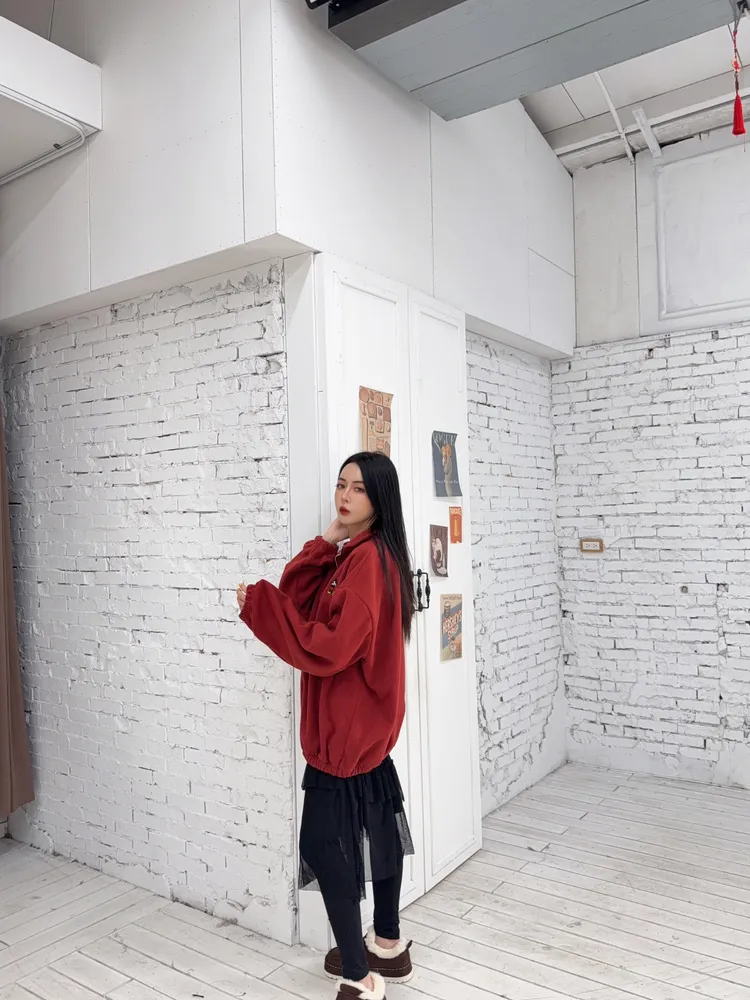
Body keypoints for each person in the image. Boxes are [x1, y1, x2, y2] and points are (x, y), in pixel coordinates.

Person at [236, 451, 417, 1000]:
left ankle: (359, 977)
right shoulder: (368, 554)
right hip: (365, 728)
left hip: (345, 730)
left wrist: (261, 608)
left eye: (358, 489)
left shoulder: (366, 563)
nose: (344, 496)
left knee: (323, 843)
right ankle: (388, 945)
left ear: (379, 498)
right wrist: (329, 538)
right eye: (341, 485)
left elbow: (331, 647)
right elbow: (300, 599)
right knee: (378, 826)